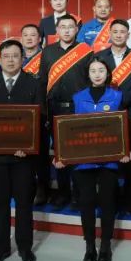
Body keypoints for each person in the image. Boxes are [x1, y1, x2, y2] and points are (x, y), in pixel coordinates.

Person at [0, 40, 44, 261]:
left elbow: (40, 118)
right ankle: (1, 249)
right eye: (6, 56)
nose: (11, 60)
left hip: (23, 158)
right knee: (0, 203)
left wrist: (29, 146)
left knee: (24, 203)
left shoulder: (34, 83)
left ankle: (25, 248)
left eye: (16, 56)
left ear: (23, 58)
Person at [60, 57, 129, 261]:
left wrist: (125, 151)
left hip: (109, 160)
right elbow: (68, 129)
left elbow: (123, 127)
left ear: (107, 74)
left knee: (108, 203)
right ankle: (90, 247)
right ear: (88, 74)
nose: (97, 74)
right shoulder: (77, 97)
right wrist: (64, 155)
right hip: (84, 161)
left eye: (101, 70)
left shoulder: (117, 96)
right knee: (87, 203)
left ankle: (105, 246)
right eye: (93, 70)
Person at [39, 14, 94, 208]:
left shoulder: (85, 51)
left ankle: (78, 194)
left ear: (77, 29)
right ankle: (63, 193)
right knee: (60, 153)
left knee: (78, 152)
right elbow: (43, 81)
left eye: (71, 26)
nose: (67, 30)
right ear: (57, 30)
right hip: (54, 108)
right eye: (63, 26)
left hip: (77, 108)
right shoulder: (48, 52)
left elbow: (91, 81)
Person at [95, 18, 131, 215]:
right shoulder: (99, 57)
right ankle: (111, 201)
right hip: (106, 115)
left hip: (130, 112)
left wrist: (119, 100)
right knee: (109, 160)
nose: (118, 35)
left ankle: (130, 201)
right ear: (109, 34)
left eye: (122, 32)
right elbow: (94, 83)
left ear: (128, 35)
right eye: (114, 32)